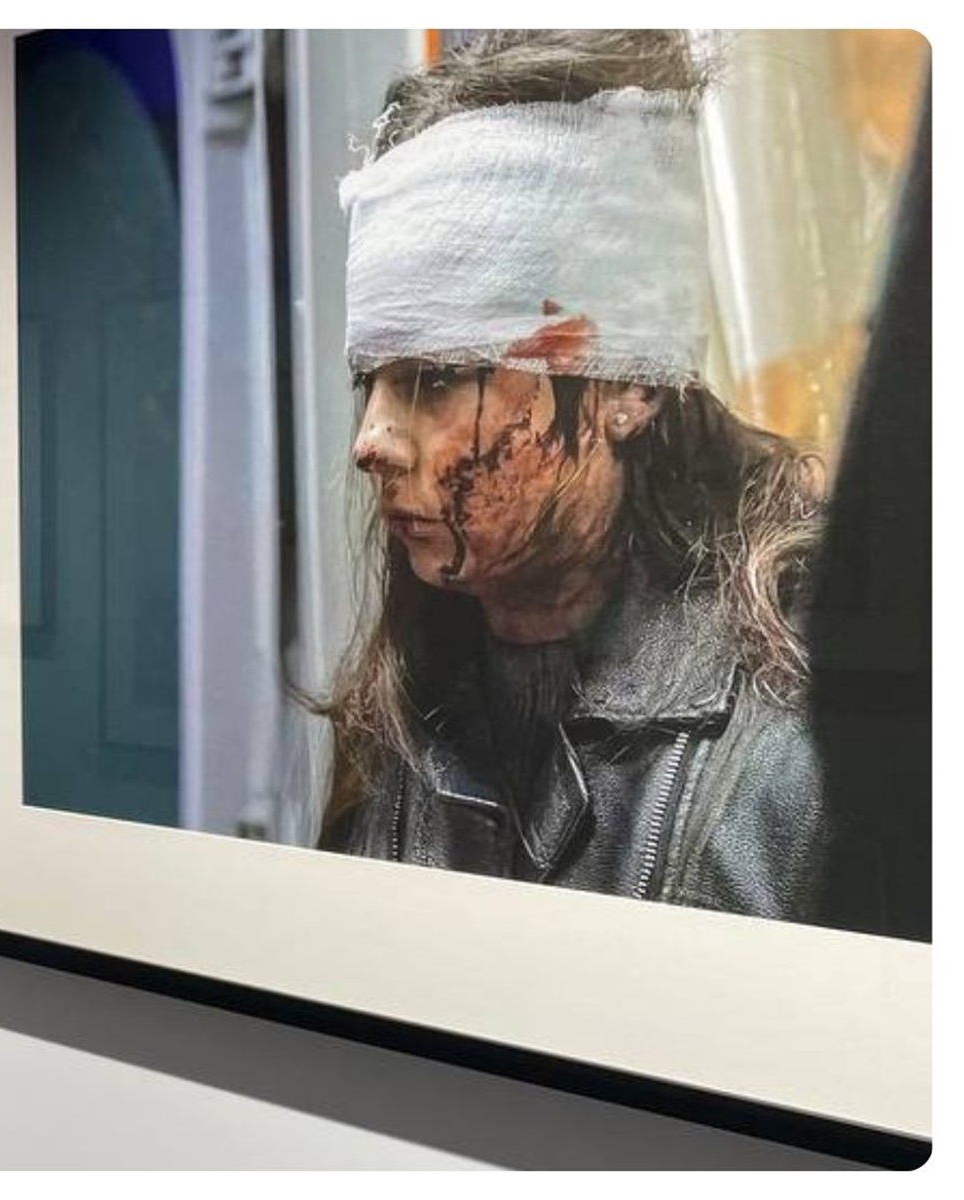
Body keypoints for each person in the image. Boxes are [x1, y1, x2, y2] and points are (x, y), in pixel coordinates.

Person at [314, 30, 861, 929]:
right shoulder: (405, 704)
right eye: (367, 381)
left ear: (624, 388)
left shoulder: (803, 742)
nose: (370, 442)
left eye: (436, 377)